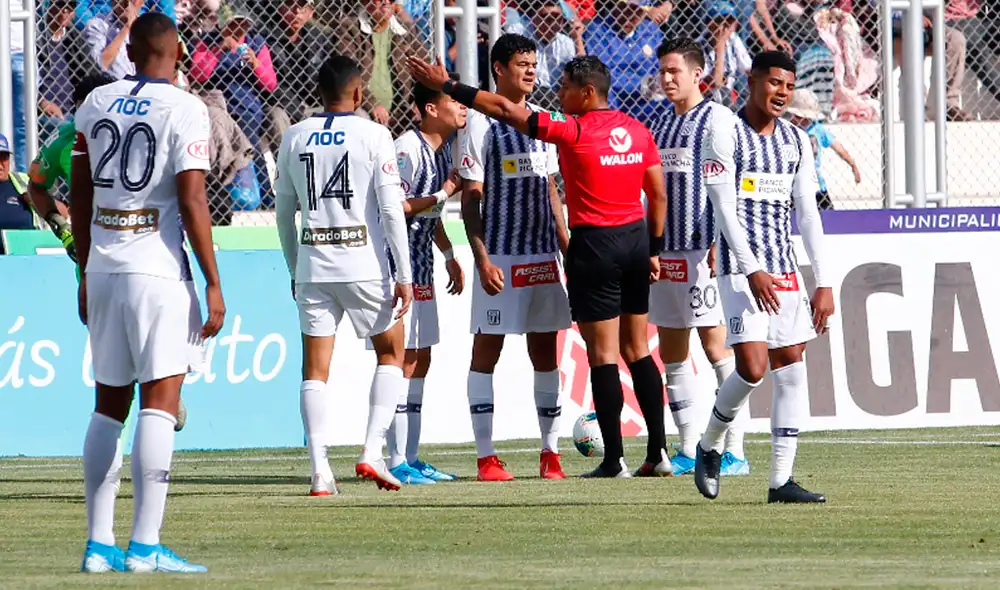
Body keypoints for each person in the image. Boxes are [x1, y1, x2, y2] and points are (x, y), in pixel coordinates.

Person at [409, 53, 670, 479]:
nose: (558, 92)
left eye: (565, 86)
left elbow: (504, 110)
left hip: (595, 245)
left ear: (587, 93)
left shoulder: (573, 129)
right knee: (638, 350)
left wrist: (451, 86)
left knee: (603, 354)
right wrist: (655, 248)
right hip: (637, 242)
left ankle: (615, 460)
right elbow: (658, 194)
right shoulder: (637, 129)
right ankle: (659, 452)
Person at [71, 12, 225, 572]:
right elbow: (191, 201)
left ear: (129, 52)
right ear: (178, 52)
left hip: (105, 268)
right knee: (159, 405)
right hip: (156, 271)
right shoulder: (187, 109)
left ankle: (96, 544)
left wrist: (85, 270)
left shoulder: (95, 103)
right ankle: (144, 546)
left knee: (107, 405)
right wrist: (212, 280)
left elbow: (80, 195)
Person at [692, 51, 834, 504]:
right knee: (752, 369)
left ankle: (780, 482)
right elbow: (723, 206)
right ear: (751, 81)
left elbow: (808, 215)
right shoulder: (725, 131)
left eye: (789, 86)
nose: (782, 93)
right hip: (740, 269)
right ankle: (709, 443)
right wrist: (752, 267)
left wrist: (824, 281)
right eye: (774, 83)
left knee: (791, 368)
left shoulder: (796, 140)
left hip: (785, 269)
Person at [274, 54, 414, 496]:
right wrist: (404, 273)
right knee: (392, 353)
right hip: (363, 265)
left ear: (320, 92)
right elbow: (391, 210)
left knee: (314, 370)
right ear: (358, 93)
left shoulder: (293, 136)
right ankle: (371, 452)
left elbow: (283, 214)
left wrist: (295, 268)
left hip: (314, 265)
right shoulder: (375, 134)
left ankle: (320, 473)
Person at [28, 72, 192, 433]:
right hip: (98, 263)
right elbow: (35, 184)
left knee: (153, 362)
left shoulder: (132, 129)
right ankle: (118, 457)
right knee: (114, 378)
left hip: (147, 253)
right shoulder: (67, 138)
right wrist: (62, 227)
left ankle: (162, 398)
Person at [455, 34, 571, 482]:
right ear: (499, 69)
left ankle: (551, 453)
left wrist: (564, 243)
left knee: (546, 353)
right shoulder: (480, 125)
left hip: (543, 258)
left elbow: (551, 188)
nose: (530, 71)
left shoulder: (545, 121)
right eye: (521, 63)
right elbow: (471, 198)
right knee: (487, 352)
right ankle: (486, 457)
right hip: (500, 259)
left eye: (533, 63)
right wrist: (481, 257)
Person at [648, 38, 749, 478]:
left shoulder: (718, 120)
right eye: (663, 72)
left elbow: (734, 185)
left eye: (675, 72)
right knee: (672, 351)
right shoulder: (661, 123)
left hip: (702, 250)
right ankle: (689, 447)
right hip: (666, 252)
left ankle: (735, 451)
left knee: (716, 348)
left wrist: (720, 242)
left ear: (696, 73)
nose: (667, 79)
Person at [382, 77, 467, 485]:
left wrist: (449, 254)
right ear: (431, 109)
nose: (462, 106)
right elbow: (395, 208)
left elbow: (429, 218)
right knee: (403, 360)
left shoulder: (442, 148)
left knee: (422, 358)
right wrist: (443, 193)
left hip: (424, 268)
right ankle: (395, 458)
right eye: (454, 100)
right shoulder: (406, 149)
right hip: (399, 270)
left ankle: (411, 457)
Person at [783, 88, 861, 210]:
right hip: (792, 185)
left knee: (828, 218)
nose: (804, 120)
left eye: (807, 117)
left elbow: (837, 147)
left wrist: (853, 164)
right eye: (798, 117)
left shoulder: (817, 129)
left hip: (817, 186)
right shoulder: (787, 130)